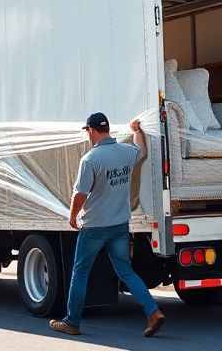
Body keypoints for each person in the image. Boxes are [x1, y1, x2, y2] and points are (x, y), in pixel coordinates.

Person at [49, 112, 165, 337]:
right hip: (120, 225)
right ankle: (153, 312)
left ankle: (72, 321)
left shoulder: (91, 159)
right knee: (126, 271)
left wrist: (73, 216)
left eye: (88, 132)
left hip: (94, 227)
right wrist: (137, 131)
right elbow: (142, 151)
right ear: (108, 129)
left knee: (81, 272)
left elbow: (79, 194)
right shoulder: (126, 152)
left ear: (91, 131)